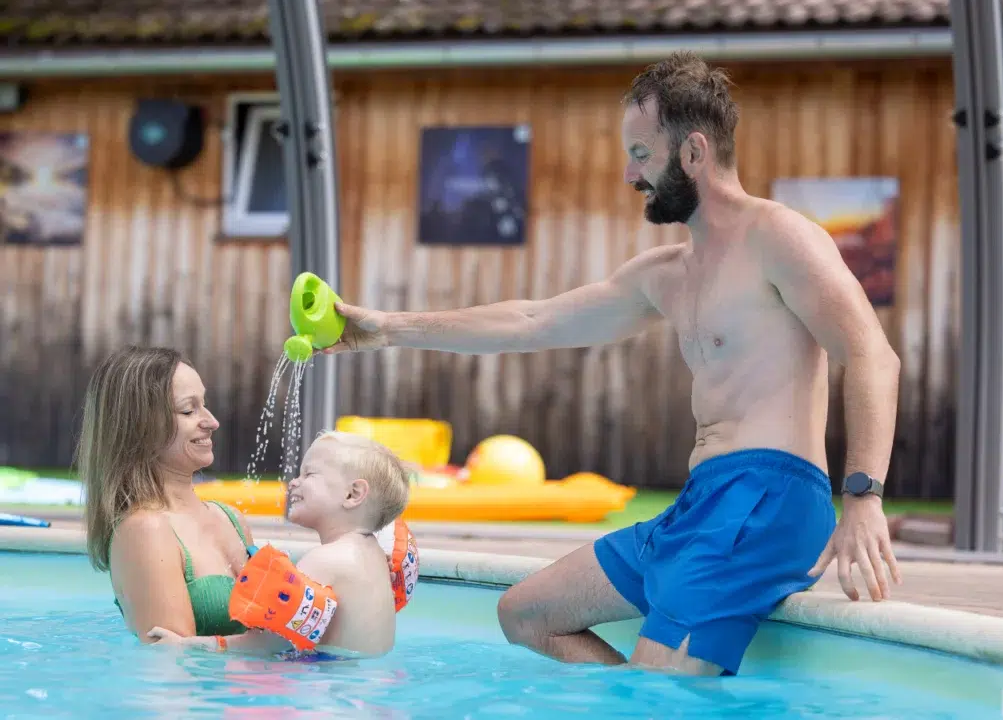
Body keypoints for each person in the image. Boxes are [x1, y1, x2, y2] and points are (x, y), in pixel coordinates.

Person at [318, 50, 902, 676]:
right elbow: (532, 321)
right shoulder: (667, 275)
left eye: (642, 154)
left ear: (694, 153)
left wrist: (863, 497)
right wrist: (389, 330)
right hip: (702, 503)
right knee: (526, 614)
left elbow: (872, 354)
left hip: (767, 499)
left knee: (654, 694)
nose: (630, 174)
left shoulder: (779, 239)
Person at [149, 431, 415, 657]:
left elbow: (270, 643)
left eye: (309, 474)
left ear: (353, 494)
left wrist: (190, 645)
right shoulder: (377, 558)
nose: (295, 482)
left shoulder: (326, 560)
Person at [79, 345, 259, 643]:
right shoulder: (145, 531)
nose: (212, 422)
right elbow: (175, 667)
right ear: (141, 426)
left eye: (205, 404)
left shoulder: (232, 519)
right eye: (189, 409)